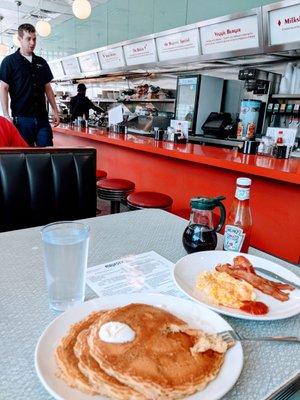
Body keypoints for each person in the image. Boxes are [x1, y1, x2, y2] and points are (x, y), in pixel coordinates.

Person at [0, 23, 59, 147]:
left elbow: (47, 88)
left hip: (42, 119)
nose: (32, 43)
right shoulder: (9, 62)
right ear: (20, 39)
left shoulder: (41, 62)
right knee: (25, 158)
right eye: (28, 39)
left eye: (34, 39)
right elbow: (4, 88)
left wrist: (55, 110)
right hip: (21, 120)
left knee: (47, 155)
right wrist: (6, 115)